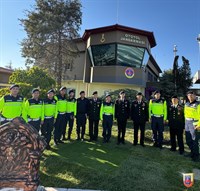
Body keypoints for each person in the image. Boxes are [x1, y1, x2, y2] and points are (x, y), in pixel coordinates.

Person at [184, 91, 200, 162]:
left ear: (195, 96)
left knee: (195, 140)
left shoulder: (198, 104)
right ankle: (192, 152)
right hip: (187, 123)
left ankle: (196, 156)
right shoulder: (186, 104)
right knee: (188, 140)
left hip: (195, 124)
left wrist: (199, 125)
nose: (190, 96)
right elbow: (185, 113)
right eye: (189, 95)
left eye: (191, 95)